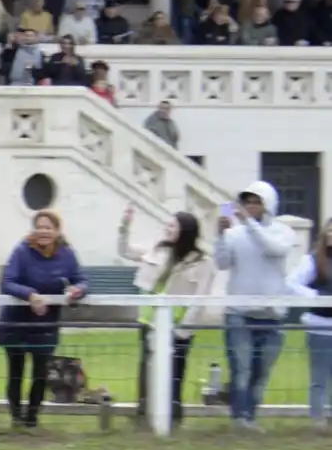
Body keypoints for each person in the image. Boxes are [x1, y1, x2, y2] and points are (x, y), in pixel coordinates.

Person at [118, 206, 214, 430]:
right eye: (168, 225)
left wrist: (182, 331)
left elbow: (199, 299)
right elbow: (125, 251)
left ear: (186, 231)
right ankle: (143, 415)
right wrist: (124, 226)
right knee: (146, 370)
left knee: (175, 373)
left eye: (173, 226)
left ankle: (173, 418)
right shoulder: (158, 250)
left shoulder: (202, 263)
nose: (167, 229)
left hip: (178, 326)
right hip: (149, 322)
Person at [215, 180, 296, 431]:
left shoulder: (283, 231)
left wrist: (248, 223)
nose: (250, 206)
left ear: (267, 205)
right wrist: (220, 236)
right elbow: (222, 263)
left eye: (255, 202)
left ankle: (250, 415)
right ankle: (240, 419)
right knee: (241, 368)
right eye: (247, 201)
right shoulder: (235, 234)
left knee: (261, 373)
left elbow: (274, 249)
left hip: (271, 314)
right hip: (239, 313)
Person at [0, 210, 86, 429]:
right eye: (40, 227)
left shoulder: (67, 254)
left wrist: (77, 290)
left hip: (46, 324)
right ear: (33, 229)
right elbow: (7, 282)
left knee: (40, 373)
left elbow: (82, 279)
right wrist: (30, 295)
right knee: (15, 372)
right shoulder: (21, 251)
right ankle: (16, 417)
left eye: (48, 227)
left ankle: (32, 418)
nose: (43, 231)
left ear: (57, 231)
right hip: (17, 323)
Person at [287, 218, 332, 431]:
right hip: (320, 326)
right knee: (319, 376)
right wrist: (315, 296)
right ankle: (318, 419)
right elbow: (291, 283)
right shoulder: (313, 260)